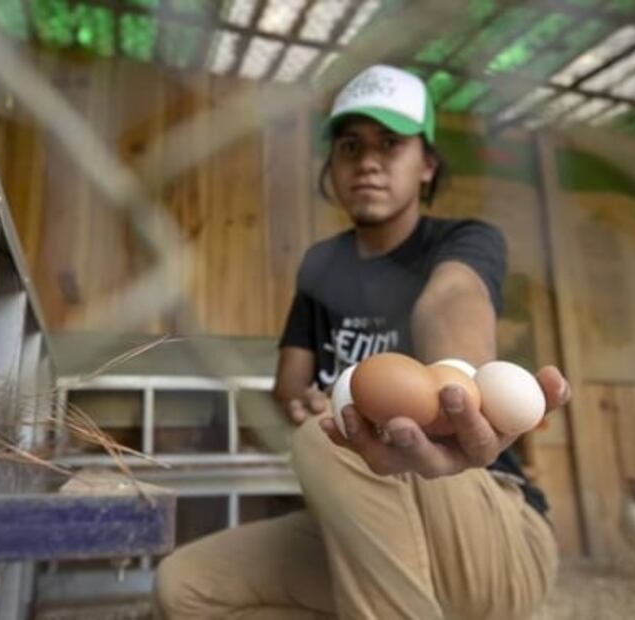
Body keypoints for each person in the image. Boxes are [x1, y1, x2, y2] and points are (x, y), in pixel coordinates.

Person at [154, 64, 571, 619]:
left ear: (426, 164)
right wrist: (304, 403)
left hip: (486, 518)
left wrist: (455, 385)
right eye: (351, 146)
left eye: (390, 144)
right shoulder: (321, 266)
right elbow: (290, 387)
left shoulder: (462, 240)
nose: (368, 161)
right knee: (183, 588)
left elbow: (452, 300)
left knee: (324, 439)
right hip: (377, 520)